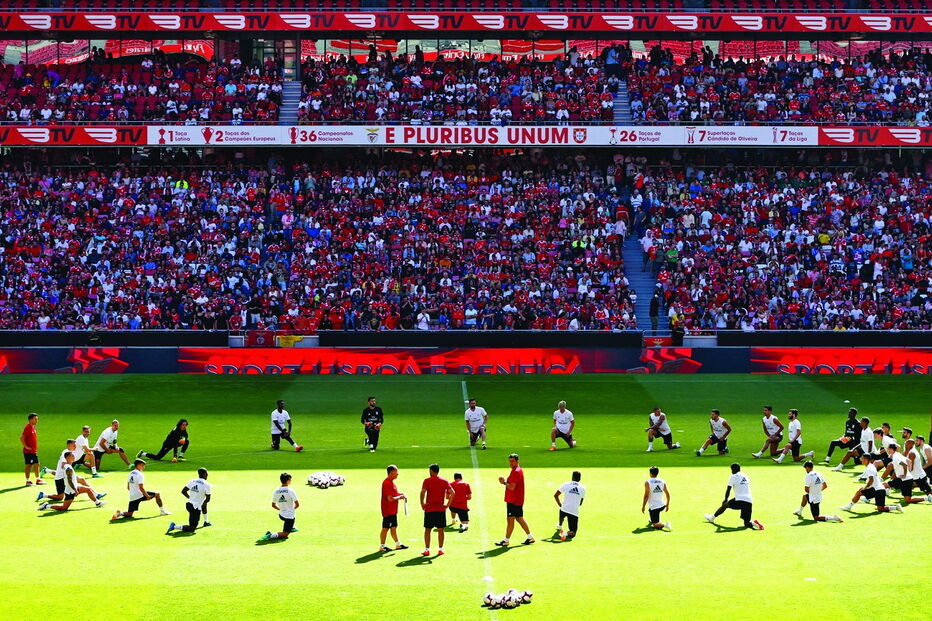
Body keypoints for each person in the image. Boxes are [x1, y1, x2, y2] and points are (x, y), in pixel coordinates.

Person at [38, 440, 106, 504]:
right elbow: (63, 465)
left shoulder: (68, 452)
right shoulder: (66, 453)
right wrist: (70, 472)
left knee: (81, 480)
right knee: (60, 497)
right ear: (69, 445)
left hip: (62, 476)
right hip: (61, 477)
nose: (75, 446)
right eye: (74, 445)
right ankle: (44, 495)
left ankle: (95, 494)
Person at [704, 464, 763, 530]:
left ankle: (711, 518)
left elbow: (728, 489)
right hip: (749, 501)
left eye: (731, 469)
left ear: (734, 469)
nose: (731, 471)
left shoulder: (733, 476)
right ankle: (754, 523)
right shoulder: (746, 476)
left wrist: (725, 499)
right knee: (746, 523)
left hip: (739, 499)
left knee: (725, 505)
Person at [495, 453, 534, 546]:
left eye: (512, 461)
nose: (510, 463)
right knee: (519, 518)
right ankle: (530, 537)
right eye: (509, 461)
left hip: (513, 500)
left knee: (510, 519)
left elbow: (512, 487)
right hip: (517, 500)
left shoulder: (515, 472)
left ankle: (506, 540)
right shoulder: (517, 470)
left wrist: (503, 482)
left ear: (517, 461)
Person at [419, 463, 454, 556]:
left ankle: (427, 549)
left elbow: (423, 492)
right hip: (440, 509)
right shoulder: (444, 481)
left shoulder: (427, 480)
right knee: (441, 530)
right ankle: (440, 549)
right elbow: (452, 493)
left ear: (431, 471)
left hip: (429, 509)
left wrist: (422, 503)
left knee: (427, 529)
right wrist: (447, 505)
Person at [167, 468, 211, 534]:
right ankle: (174, 526)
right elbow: (208, 499)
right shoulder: (207, 484)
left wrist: (190, 498)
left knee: (192, 523)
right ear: (205, 474)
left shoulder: (192, 481)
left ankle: (206, 522)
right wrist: (202, 503)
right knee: (192, 528)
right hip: (195, 508)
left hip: (189, 505)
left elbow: (183, 491)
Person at [379, 465, 408, 552]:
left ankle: (398, 544)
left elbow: (394, 494)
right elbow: (390, 498)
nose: (397, 474)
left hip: (392, 510)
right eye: (396, 472)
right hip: (388, 510)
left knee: (394, 527)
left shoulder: (391, 483)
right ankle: (382, 546)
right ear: (391, 473)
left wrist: (400, 494)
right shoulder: (387, 483)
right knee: (386, 528)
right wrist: (400, 497)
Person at [262, 472, 299, 540]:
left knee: (291, 515)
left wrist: (281, 509)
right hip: (289, 517)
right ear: (288, 481)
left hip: (281, 515)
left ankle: (292, 527)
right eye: (290, 480)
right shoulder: (290, 490)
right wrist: (291, 510)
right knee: (285, 535)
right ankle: (270, 535)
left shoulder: (276, 491)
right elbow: (297, 505)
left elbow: (273, 505)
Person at [554, 470, 587, 539]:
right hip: (574, 512)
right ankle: (564, 533)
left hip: (564, 509)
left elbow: (556, 495)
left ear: (572, 477)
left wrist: (560, 505)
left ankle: (560, 525)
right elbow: (581, 502)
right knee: (573, 533)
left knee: (562, 512)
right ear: (580, 478)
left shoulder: (566, 484)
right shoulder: (583, 488)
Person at [641, 466, 670, 531]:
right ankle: (652, 519)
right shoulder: (662, 481)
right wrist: (667, 505)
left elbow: (646, 496)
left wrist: (643, 506)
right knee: (652, 511)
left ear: (650, 473)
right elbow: (668, 494)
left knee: (655, 525)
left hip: (654, 508)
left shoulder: (647, 482)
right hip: (662, 505)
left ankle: (666, 524)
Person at [903, 438, 932, 503]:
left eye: (906, 444)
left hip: (919, 477)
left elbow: (911, 468)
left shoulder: (912, 453)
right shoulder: (910, 451)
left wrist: (903, 473)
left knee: (929, 493)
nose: (905, 445)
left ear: (911, 445)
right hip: (915, 476)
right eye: (905, 443)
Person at [21, 413, 43, 486]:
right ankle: (27, 481)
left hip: (33, 451)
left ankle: (38, 479)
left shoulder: (33, 427)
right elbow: (22, 437)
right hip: (28, 451)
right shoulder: (27, 427)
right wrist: (26, 446)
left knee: (37, 464)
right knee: (29, 465)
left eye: (37, 419)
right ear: (30, 419)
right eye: (35, 419)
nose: (37, 421)